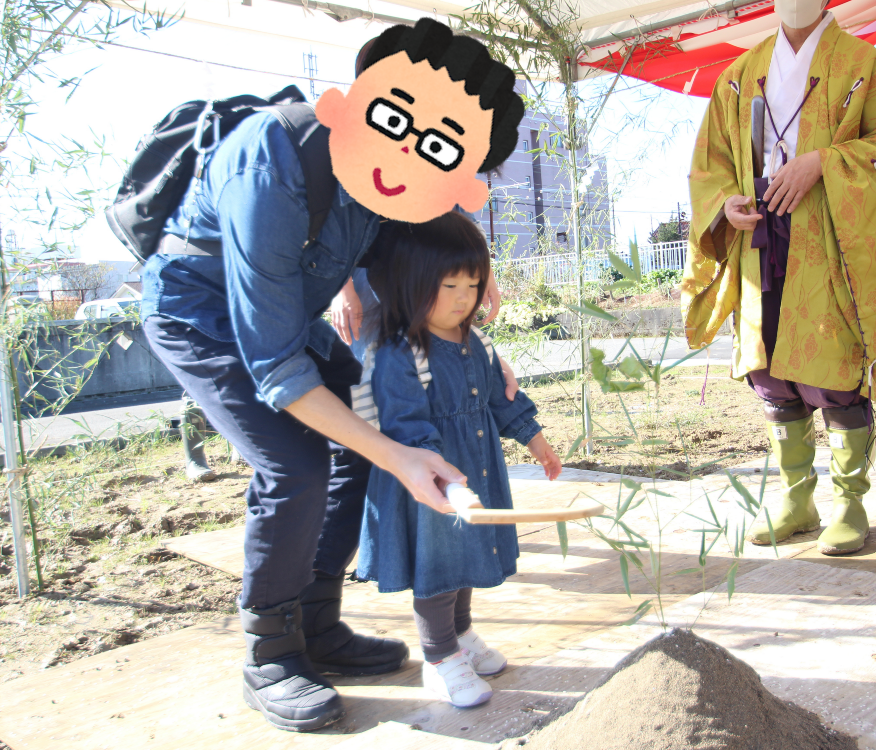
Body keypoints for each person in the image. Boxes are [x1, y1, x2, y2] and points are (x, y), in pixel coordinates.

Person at [140, 19, 524, 732]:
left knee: (356, 434)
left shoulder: (401, 184)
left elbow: (419, 284)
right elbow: (276, 365)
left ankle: (315, 621)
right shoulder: (272, 162)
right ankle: (271, 652)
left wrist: (474, 343)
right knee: (295, 463)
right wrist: (398, 455)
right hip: (201, 313)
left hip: (287, 317)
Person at [683, 0, 876, 556]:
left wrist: (824, 162)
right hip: (760, 234)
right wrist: (725, 205)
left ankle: (850, 502)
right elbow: (709, 164)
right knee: (768, 370)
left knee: (834, 367)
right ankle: (797, 498)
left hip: (831, 238)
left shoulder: (864, 64)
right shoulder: (739, 77)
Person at [357, 213, 562, 708]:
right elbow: (405, 424)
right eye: (449, 284)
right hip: (431, 482)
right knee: (440, 565)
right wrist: (444, 479)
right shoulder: (401, 351)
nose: (464, 296)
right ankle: (439, 656)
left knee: (468, 557)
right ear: (412, 283)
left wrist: (535, 440)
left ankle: (462, 633)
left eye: (472, 283)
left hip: (477, 468)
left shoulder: (477, 343)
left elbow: (501, 398)